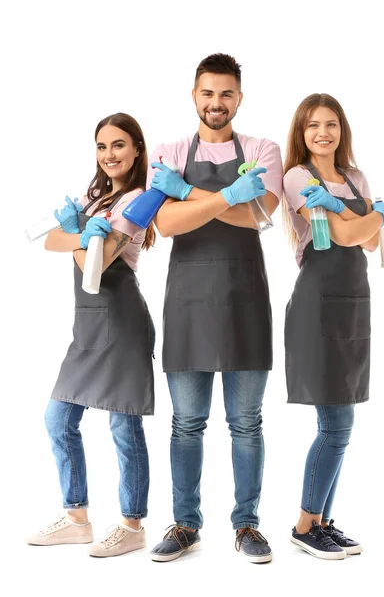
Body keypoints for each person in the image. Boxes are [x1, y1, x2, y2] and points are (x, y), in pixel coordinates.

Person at [146, 53, 283, 563]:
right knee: (187, 422)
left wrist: (189, 197)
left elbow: (261, 216)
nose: (216, 102)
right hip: (187, 302)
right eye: (208, 93)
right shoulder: (170, 151)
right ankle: (185, 525)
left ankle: (247, 525)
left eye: (226, 93)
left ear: (239, 98)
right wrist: (226, 195)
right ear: (194, 96)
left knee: (246, 422)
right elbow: (168, 225)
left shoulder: (263, 148)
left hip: (245, 299)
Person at [27, 113, 156, 558]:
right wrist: (82, 233)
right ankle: (77, 518)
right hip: (87, 325)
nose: (109, 155)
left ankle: (132, 524)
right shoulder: (96, 195)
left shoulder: (139, 199)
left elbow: (93, 267)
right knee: (58, 419)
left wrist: (77, 234)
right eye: (101, 147)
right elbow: (50, 242)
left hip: (120, 321)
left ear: (137, 148)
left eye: (118, 145)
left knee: (123, 423)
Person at [283, 94, 384, 560]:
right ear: (302, 133)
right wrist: (378, 212)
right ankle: (305, 525)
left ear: (341, 129)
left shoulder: (355, 176)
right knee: (336, 424)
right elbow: (352, 234)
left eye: (331, 124)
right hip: (316, 306)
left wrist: (353, 212)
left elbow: (369, 245)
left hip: (353, 306)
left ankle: (323, 522)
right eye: (313, 126)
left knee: (341, 423)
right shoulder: (295, 177)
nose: (323, 133)